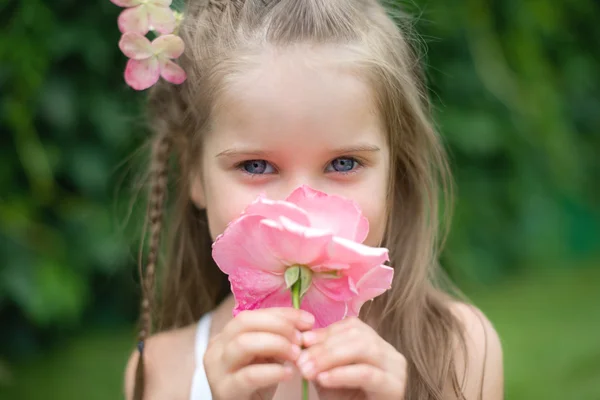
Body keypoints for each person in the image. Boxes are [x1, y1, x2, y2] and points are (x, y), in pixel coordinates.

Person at [123, 0, 503, 399]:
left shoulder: (458, 349)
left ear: (395, 171)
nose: (299, 211)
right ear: (195, 174)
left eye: (343, 162)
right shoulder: (161, 372)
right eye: (255, 166)